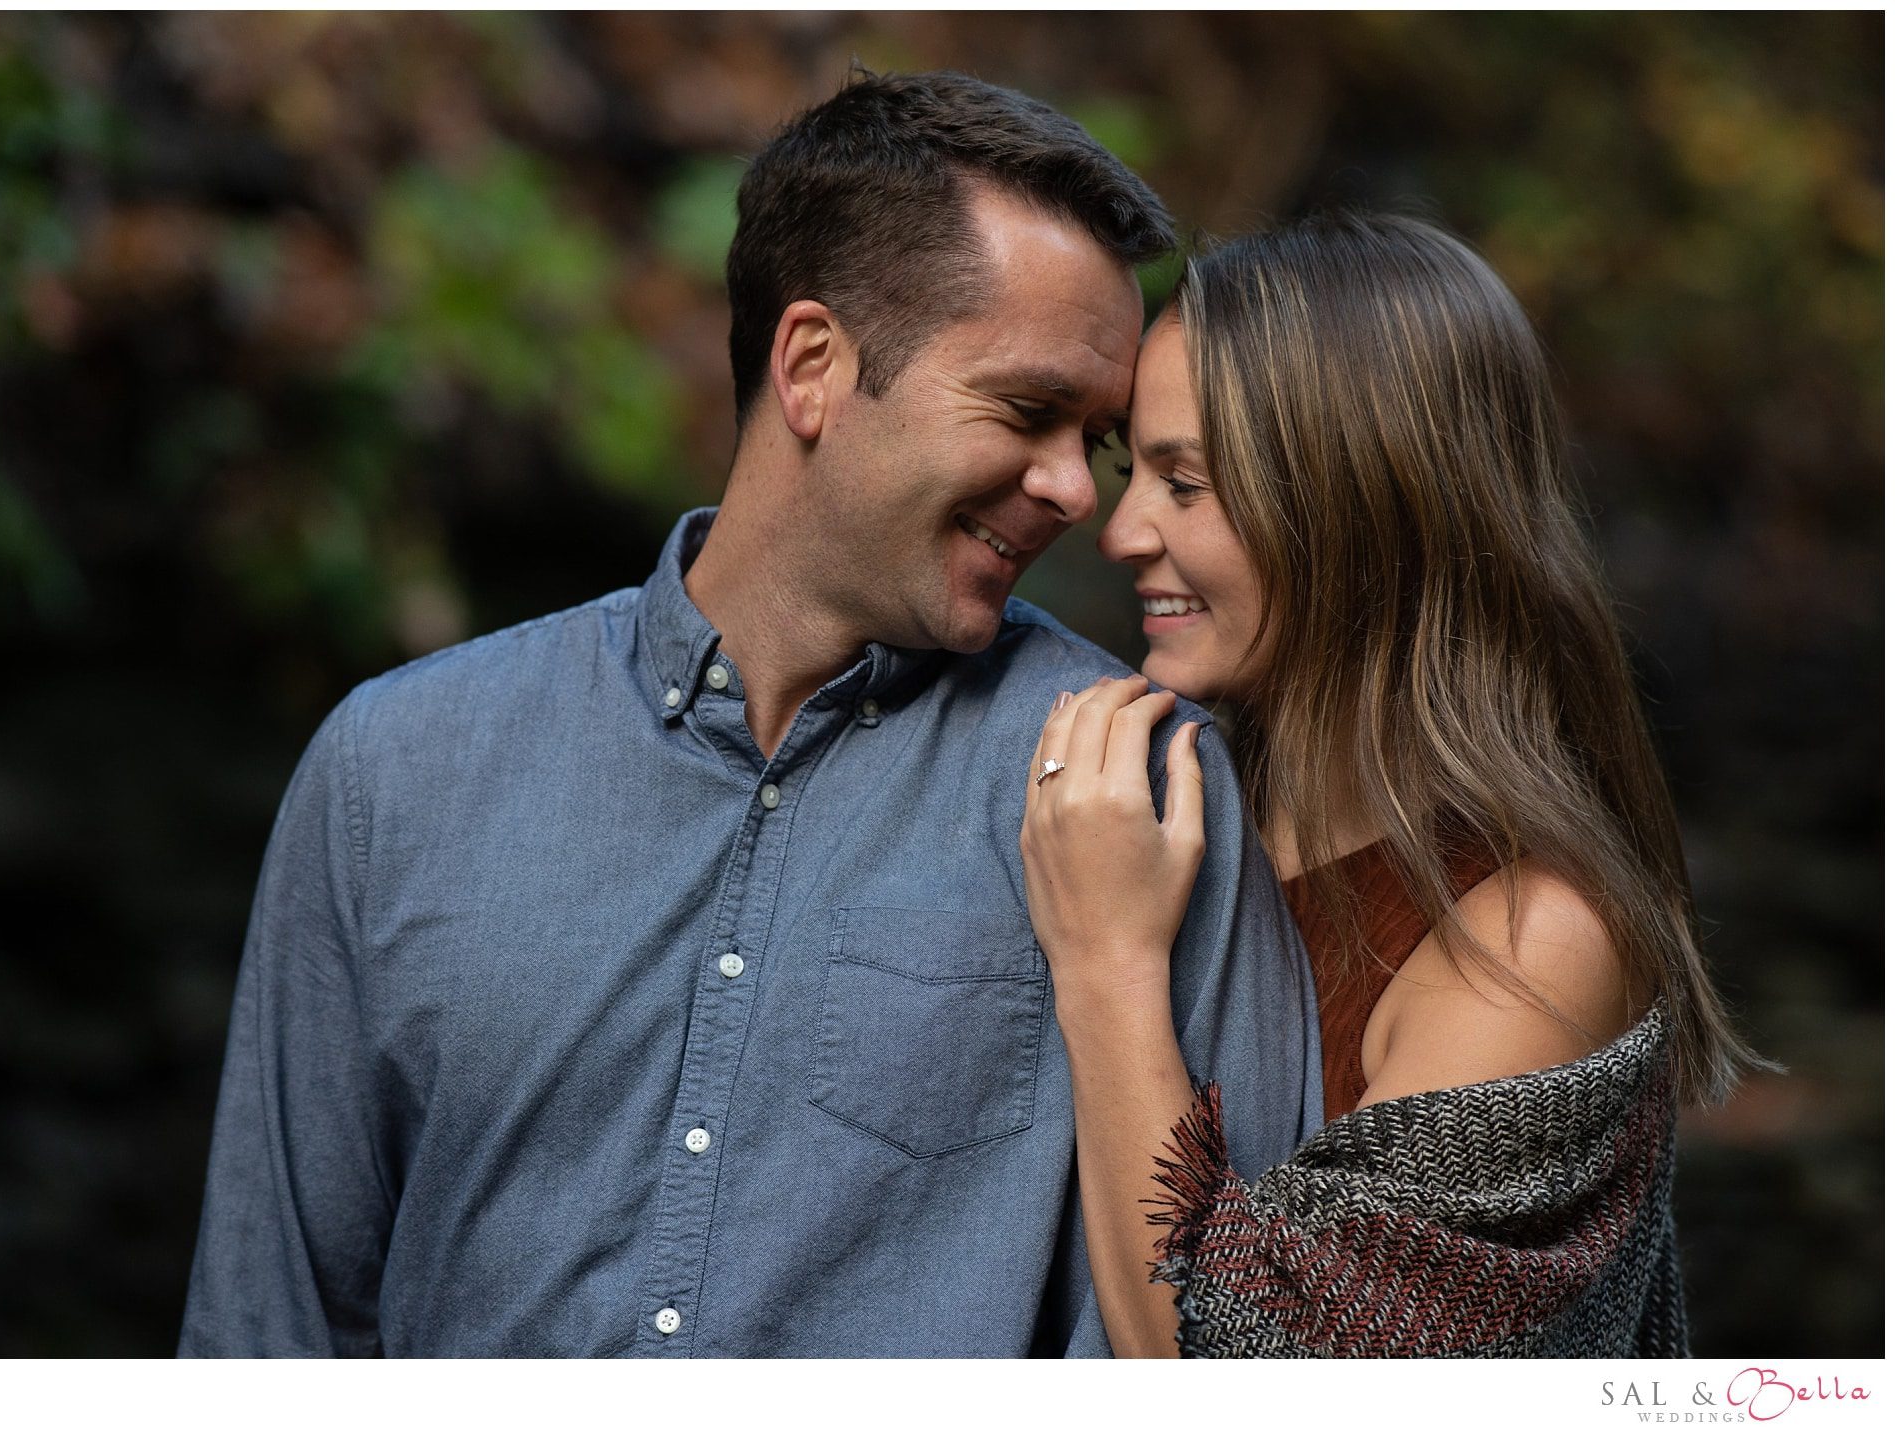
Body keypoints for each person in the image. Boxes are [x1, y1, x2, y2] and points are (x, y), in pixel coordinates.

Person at [178, 68, 1320, 1358]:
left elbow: (1220, 1348)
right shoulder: (393, 769)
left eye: (1096, 439)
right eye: (1025, 412)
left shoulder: (1141, 785)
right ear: (814, 366)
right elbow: (267, 1333)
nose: (1073, 492)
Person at [1019, 212, 1760, 1357]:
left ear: (1360, 505)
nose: (1119, 532)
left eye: (1185, 482)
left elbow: (1240, 1382)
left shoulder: (1526, 939)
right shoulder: (1161, 809)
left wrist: (1107, 963)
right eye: (1135, 471)